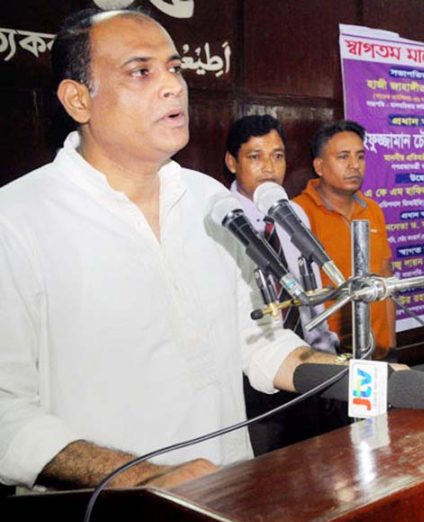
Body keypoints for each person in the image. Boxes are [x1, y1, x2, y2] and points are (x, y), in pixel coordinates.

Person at [0, 9, 340, 490]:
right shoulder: (15, 219)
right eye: (141, 71)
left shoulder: (212, 203)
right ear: (78, 99)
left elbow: (259, 343)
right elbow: (5, 414)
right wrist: (143, 476)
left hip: (229, 502)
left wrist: (363, 381)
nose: (172, 86)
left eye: (176, 68)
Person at [225, 114, 344, 455]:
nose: (269, 167)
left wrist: (326, 352)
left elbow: (311, 295)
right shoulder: (221, 220)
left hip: (306, 364)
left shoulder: (293, 214)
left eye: (277, 156)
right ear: (231, 162)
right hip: (254, 377)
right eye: (255, 156)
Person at [292, 120, 396, 360]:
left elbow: (387, 282)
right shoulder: (298, 214)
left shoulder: (372, 209)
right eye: (343, 157)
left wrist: (391, 345)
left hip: (378, 351)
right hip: (331, 357)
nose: (354, 166)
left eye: (360, 157)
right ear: (319, 166)